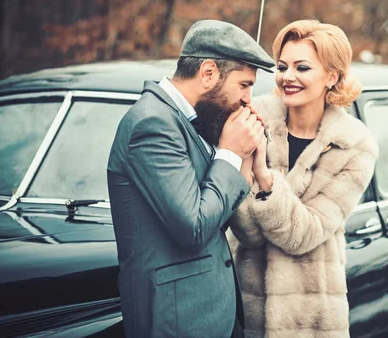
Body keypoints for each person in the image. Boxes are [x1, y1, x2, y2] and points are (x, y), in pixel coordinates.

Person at [107, 19, 275, 338]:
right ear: (208, 73)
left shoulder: (184, 121)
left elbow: (213, 219)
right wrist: (228, 151)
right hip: (179, 321)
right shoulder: (152, 124)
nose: (248, 100)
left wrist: (246, 160)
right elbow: (194, 229)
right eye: (244, 85)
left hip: (212, 314)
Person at [228, 20, 379, 338]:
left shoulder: (354, 145)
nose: (288, 77)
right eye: (282, 66)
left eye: (303, 67)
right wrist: (240, 160)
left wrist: (265, 180)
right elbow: (246, 232)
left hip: (309, 319)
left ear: (332, 76)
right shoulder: (252, 120)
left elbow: (305, 234)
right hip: (242, 305)